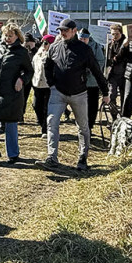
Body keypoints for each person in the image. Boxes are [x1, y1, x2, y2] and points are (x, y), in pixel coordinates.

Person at [43, 19, 109, 171]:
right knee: (52, 122)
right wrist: (51, 84)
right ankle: (51, 157)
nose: (62, 33)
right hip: (58, 92)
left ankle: (82, 157)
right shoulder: (54, 48)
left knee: (83, 126)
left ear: (74, 31)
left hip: (79, 93)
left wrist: (105, 92)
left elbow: (97, 71)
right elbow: (47, 66)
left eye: (66, 30)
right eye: (61, 30)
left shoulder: (84, 49)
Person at [0, 22, 33, 162]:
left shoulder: (22, 52)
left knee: (11, 123)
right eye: (5, 35)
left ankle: (13, 153)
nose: (7, 38)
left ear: (17, 36)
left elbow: (30, 71)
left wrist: (22, 79)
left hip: (12, 93)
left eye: (10, 36)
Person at [80, 28, 106, 130]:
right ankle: (82, 126)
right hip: (80, 82)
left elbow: (100, 61)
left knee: (92, 106)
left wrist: (90, 69)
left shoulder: (95, 46)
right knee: (81, 106)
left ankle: (90, 125)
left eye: (84, 39)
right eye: (80, 38)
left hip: (92, 82)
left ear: (88, 38)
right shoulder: (76, 46)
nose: (82, 41)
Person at [31, 34, 54, 137]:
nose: (44, 45)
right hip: (37, 84)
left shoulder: (54, 55)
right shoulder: (38, 54)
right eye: (43, 43)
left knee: (46, 108)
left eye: (46, 43)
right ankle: (42, 123)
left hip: (48, 85)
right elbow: (33, 66)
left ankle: (45, 129)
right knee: (36, 106)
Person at [105, 23, 130, 112]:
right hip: (113, 74)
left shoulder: (127, 44)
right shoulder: (110, 44)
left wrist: (123, 47)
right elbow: (108, 59)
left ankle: (124, 116)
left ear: (121, 33)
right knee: (112, 95)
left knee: (125, 97)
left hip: (124, 74)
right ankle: (114, 117)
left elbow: (122, 57)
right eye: (113, 34)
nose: (114, 36)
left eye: (116, 34)